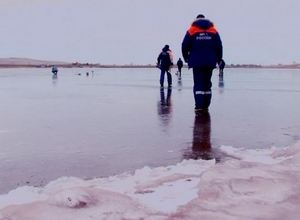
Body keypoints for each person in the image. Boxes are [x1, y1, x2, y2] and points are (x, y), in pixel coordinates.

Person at [182, 14, 223, 113]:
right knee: (207, 84)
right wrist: (218, 59)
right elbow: (219, 45)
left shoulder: (192, 30)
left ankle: (199, 106)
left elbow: (184, 45)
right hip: (210, 62)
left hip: (196, 62)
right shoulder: (213, 30)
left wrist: (186, 58)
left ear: (196, 20)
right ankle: (206, 105)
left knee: (198, 83)